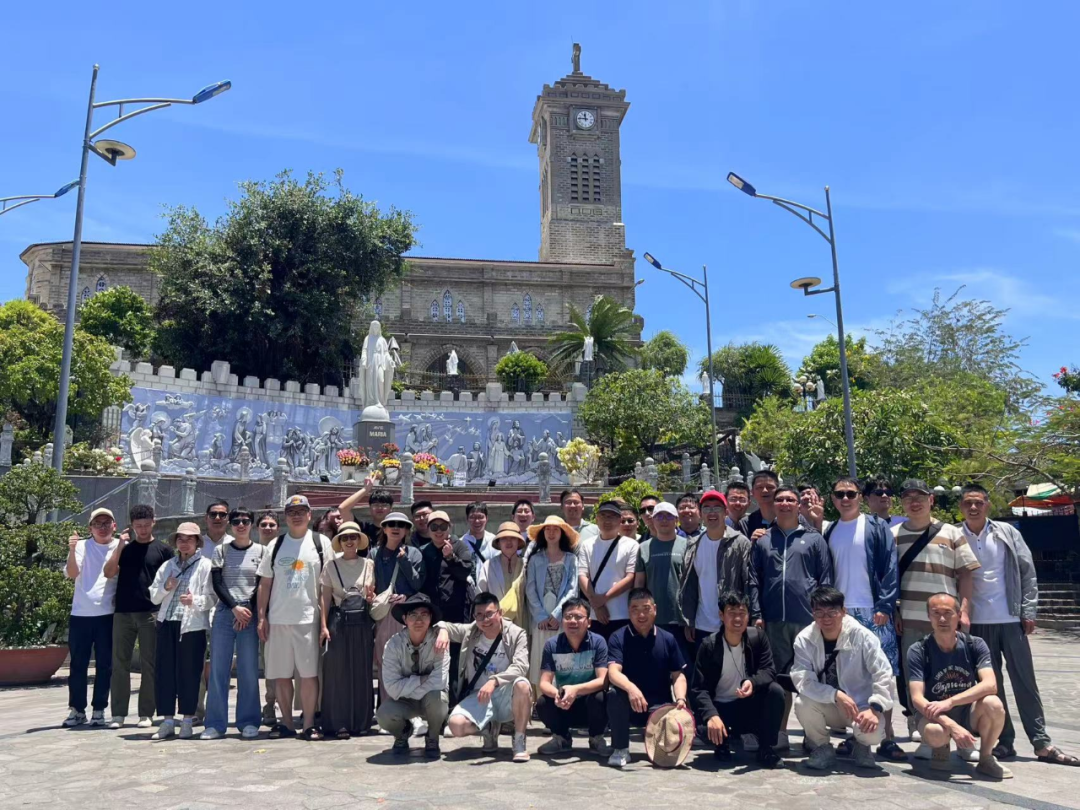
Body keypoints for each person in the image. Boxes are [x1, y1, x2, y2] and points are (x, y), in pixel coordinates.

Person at [959, 483, 1077, 765]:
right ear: (960, 506)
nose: (973, 507)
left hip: (1011, 619)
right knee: (991, 686)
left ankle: (1041, 742)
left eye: (978, 502)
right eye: (967, 503)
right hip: (977, 623)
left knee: (1025, 682)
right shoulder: (955, 535)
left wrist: (1028, 610)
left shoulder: (1006, 532)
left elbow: (1027, 571)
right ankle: (1004, 741)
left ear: (987, 505)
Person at [893, 478, 980, 751]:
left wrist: (964, 610)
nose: (914, 503)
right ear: (902, 503)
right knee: (914, 676)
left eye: (920, 497)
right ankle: (921, 726)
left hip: (946, 620)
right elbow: (888, 579)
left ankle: (961, 731)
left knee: (955, 675)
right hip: (910, 618)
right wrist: (894, 610)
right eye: (908, 498)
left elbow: (966, 573)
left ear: (931, 500)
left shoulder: (951, 532)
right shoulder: (893, 535)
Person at [821, 476, 903, 760]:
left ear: (860, 497)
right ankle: (857, 734)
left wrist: (885, 606)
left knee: (883, 672)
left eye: (851, 494)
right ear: (832, 499)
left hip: (873, 609)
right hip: (842, 613)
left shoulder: (877, 526)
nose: (845, 499)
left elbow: (890, 567)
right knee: (848, 675)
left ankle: (887, 736)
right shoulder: (830, 530)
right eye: (839, 494)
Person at [748, 485, 833, 750]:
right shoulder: (763, 540)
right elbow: (754, 580)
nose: (785, 503)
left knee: (811, 678)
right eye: (780, 500)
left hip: (807, 621)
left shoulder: (814, 539)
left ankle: (814, 735)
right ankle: (780, 732)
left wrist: (822, 615)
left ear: (798, 505)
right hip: (773, 621)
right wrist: (757, 613)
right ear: (773, 505)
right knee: (778, 680)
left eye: (790, 499)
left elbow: (825, 579)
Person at [256, 495, 336, 740]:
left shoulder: (321, 542)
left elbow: (327, 586)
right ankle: (287, 723)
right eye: (292, 512)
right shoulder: (276, 544)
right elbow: (265, 584)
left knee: (309, 674)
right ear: (286, 517)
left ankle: (309, 723)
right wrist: (262, 617)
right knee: (281, 675)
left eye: (301, 511)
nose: (297, 516)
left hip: (308, 619)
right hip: (278, 619)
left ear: (310, 515)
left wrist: (324, 622)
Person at [907, 593, 1012, 779]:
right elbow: (917, 698)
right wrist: (952, 725)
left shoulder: (975, 644)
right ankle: (941, 749)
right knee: (935, 732)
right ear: (929, 616)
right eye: (936, 613)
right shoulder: (918, 650)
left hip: (966, 712)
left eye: (948, 613)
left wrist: (950, 702)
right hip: (933, 716)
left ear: (959, 615)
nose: (942, 619)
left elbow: (990, 685)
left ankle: (986, 758)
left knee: (994, 704)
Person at [792, 587, 893, 771]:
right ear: (813, 613)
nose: (826, 618)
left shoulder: (863, 636)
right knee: (802, 703)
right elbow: (802, 680)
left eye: (832, 612)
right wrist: (835, 695)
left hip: (860, 706)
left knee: (873, 733)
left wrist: (875, 708)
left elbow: (883, 673)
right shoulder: (804, 639)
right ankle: (822, 747)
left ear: (844, 611)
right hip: (827, 703)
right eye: (820, 612)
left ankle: (861, 745)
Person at [689, 591, 784, 768]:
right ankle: (721, 742)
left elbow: (769, 670)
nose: (737, 619)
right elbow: (698, 689)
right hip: (720, 708)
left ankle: (766, 748)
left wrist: (752, 682)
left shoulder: (758, 638)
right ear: (721, 615)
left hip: (746, 706)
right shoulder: (709, 645)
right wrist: (711, 715)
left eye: (742, 613)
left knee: (775, 691)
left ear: (748, 616)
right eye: (731, 613)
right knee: (704, 727)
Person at [438, 592, 533, 762]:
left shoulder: (516, 633)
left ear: (500, 613)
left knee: (522, 685)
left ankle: (519, 741)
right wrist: (443, 631)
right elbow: (441, 624)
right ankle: (488, 728)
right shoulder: (471, 631)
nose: (485, 620)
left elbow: (521, 666)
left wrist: (494, 681)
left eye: (489, 614)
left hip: (506, 694)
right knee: (456, 725)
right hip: (479, 695)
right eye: (479, 615)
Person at [104, 504, 173, 730]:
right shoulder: (124, 549)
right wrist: (120, 545)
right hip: (123, 612)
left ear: (154, 522)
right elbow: (108, 572)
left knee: (149, 664)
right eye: (138, 526)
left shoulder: (164, 550)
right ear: (132, 526)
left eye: (146, 525)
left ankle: (146, 713)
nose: (142, 529)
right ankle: (118, 714)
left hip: (150, 612)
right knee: (119, 664)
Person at [606, 588, 689, 768]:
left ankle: (659, 742)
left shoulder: (668, 638)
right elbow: (613, 672)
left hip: (659, 707)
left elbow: (678, 675)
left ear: (655, 609)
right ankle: (620, 748)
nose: (641, 615)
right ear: (628, 611)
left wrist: (681, 698)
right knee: (614, 695)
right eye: (635, 609)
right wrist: (631, 688)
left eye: (646, 608)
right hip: (629, 704)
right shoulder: (618, 637)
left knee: (664, 756)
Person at [203, 508, 266, 739]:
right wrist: (234, 608)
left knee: (248, 670)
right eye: (236, 521)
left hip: (249, 613)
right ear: (231, 525)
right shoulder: (221, 550)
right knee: (218, 669)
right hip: (225, 612)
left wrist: (246, 610)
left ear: (251, 524)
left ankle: (249, 721)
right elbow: (217, 583)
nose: (241, 525)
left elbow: (261, 584)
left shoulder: (262, 551)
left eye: (245, 521)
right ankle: (215, 724)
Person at [149, 523, 216, 739]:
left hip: (192, 626)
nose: (184, 543)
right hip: (167, 622)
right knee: (164, 673)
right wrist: (165, 587)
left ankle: (187, 720)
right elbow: (153, 596)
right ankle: (167, 721)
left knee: (190, 673)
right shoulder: (168, 565)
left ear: (197, 542)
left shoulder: (205, 565)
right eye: (181, 538)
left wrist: (194, 600)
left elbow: (212, 597)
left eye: (189, 539)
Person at [64, 507, 121, 727]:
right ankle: (77, 709)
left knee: (105, 665)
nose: (102, 527)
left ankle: (99, 710)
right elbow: (72, 573)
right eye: (98, 523)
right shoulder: (80, 546)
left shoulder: (121, 545)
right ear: (90, 528)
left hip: (108, 614)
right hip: (80, 614)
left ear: (114, 526)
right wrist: (71, 549)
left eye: (107, 523)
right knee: (78, 664)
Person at [679, 491, 752, 663]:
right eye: (707, 508)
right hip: (701, 624)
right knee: (705, 673)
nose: (712, 512)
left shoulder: (740, 543)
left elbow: (748, 583)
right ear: (700, 513)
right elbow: (689, 587)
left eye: (717, 508)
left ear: (726, 512)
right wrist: (689, 621)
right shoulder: (693, 545)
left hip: (731, 623)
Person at [319, 521, 376, 739]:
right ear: (339, 542)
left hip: (362, 622)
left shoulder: (368, 564)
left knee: (361, 672)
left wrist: (371, 597)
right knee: (337, 673)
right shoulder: (330, 566)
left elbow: (371, 595)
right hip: (338, 621)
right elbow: (324, 598)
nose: (349, 541)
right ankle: (338, 722)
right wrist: (323, 626)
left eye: (353, 537)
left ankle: (361, 721)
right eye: (345, 538)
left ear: (359, 540)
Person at [536, 596, 611, 757]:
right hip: (564, 704)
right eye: (568, 617)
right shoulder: (552, 645)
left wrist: (575, 690)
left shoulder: (598, 642)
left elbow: (603, 681)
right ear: (562, 621)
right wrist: (557, 694)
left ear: (588, 622)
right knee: (543, 702)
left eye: (578, 617)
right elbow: (544, 682)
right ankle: (561, 738)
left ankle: (596, 738)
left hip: (589, 705)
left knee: (602, 697)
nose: (572, 621)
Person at [376, 593, 450, 758]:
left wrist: (408, 686)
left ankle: (432, 737)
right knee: (384, 714)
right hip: (405, 701)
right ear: (405, 619)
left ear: (430, 619)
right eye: (413, 615)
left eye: (424, 615)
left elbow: (439, 682)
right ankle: (402, 733)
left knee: (438, 699)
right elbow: (392, 688)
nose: (418, 620)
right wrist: (423, 679)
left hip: (430, 699)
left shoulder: (440, 641)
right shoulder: (393, 645)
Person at [371, 512, 425, 703]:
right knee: (384, 660)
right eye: (391, 524)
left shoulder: (414, 553)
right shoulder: (374, 554)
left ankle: (409, 708)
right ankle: (387, 706)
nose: (396, 528)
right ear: (384, 528)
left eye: (401, 525)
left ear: (407, 531)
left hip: (405, 615)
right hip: (383, 615)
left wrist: (404, 561)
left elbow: (418, 584)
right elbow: (370, 584)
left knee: (408, 662)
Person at [424, 510, 476, 695]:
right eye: (434, 527)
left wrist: (450, 557)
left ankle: (455, 701)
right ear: (428, 529)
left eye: (443, 526)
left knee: (455, 658)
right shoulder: (425, 551)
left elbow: (465, 571)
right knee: (433, 656)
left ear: (450, 527)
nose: (439, 531)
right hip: (434, 614)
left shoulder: (460, 546)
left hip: (457, 613)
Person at [525, 515, 580, 687]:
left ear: (562, 533)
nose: (551, 532)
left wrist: (558, 614)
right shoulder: (535, 559)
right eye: (547, 529)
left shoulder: (571, 559)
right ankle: (540, 696)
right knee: (540, 657)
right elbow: (530, 589)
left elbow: (573, 588)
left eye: (555, 529)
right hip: (540, 618)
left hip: (562, 617)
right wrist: (541, 616)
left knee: (562, 657)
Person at [577, 499, 638, 640]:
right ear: (597, 519)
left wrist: (604, 598)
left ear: (620, 520)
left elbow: (630, 578)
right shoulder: (587, 545)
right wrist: (596, 605)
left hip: (622, 613)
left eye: (611, 516)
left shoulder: (631, 545)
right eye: (603, 516)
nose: (607, 520)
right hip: (594, 615)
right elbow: (582, 575)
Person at [634, 502, 687, 647]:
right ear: (653, 520)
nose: (664, 520)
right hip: (653, 617)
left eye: (669, 516)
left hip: (681, 618)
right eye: (659, 516)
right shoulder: (643, 547)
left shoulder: (688, 545)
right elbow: (639, 583)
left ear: (676, 520)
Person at [255, 511, 283, 726]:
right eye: (263, 524)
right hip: (254, 614)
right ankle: (270, 703)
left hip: (279, 613)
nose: (267, 528)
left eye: (272, 525)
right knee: (268, 664)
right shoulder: (252, 551)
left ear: (278, 528)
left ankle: (283, 703)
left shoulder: (282, 550)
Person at [477, 522, 526, 601]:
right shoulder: (488, 566)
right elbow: (481, 595)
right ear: (498, 543)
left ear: (518, 541)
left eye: (513, 538)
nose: (508, 542)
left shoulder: (526, 565)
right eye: (504, 538)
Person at [338, 476, 395, 542]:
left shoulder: (397, 529)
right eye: (376, 505)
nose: (379, 508)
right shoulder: (363, 528)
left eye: (384, 505)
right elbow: (343, 509)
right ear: (370, 508)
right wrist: (366, 489)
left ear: (391, 508)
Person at [740, 470, 779, 541]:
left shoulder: (791, 519)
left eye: (770, 487)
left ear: (778, 491)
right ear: (752, 492)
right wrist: (752, 543)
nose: (765, 490)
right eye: (759, 487)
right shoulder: (745, 523)